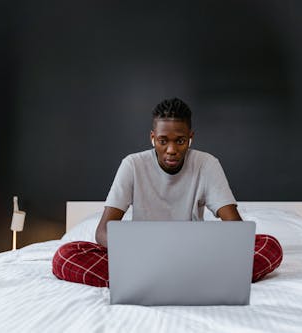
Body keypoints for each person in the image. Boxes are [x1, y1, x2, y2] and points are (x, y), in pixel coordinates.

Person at [52, 98, 282, 287]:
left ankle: (148, 282)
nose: (171, 150)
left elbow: (235, 227)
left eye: (180, 141)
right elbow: (102, 230)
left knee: (270, 245)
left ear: (191, 137)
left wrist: (213, 250)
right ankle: (191, 281)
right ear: (152, 138)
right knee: (66, 255)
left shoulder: (207, 164)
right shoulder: (132, 165)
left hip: (194, 258)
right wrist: (135, 249)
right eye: (163, 141)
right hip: (142, 258)